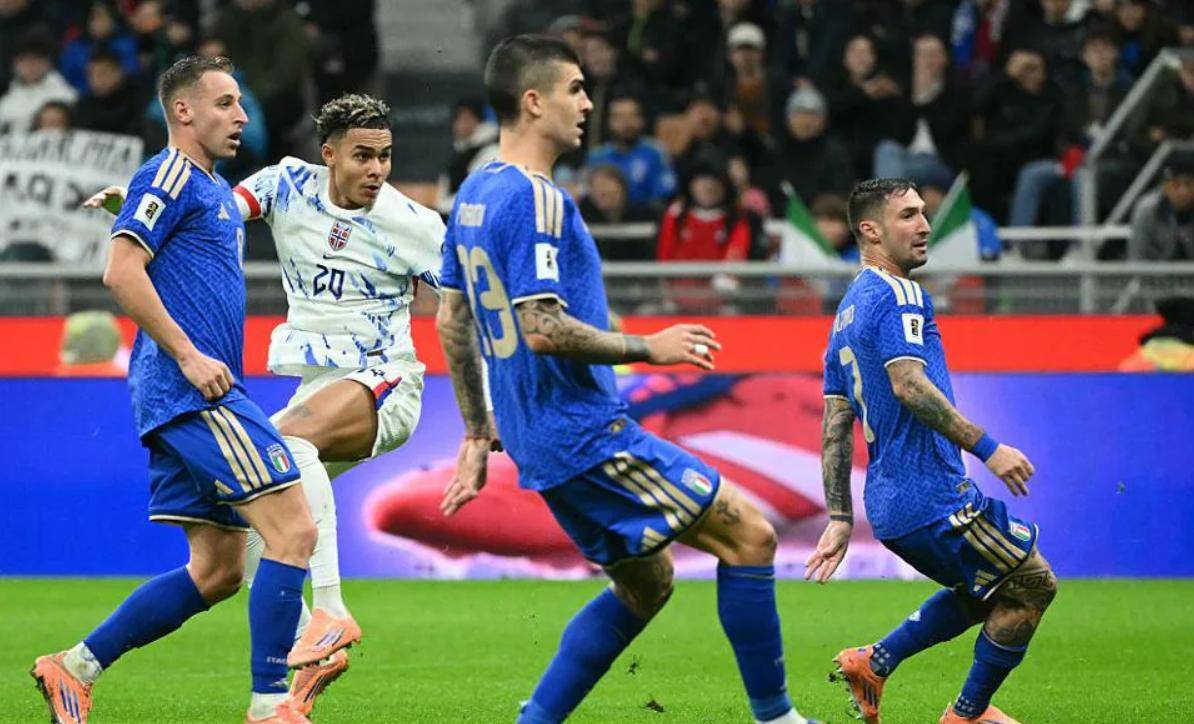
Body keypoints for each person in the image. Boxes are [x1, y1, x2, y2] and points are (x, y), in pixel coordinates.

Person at [436, 34, 819, 724]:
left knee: (647, 584)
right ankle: (777, 718)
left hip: (537, 440)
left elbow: (451, 319)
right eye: (575, 89)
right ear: (533, 101)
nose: (588, 103)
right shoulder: (537, 199)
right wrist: (649, 347)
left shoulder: (472, 194)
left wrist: (473, 431)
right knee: (752, 537)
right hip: (583, 434)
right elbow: (542, 326)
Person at [85, 93, 445, 717]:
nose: (377, 170)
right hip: (318, 389)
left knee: (289, 446)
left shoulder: (414, 224)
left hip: (387, 379)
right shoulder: (285, 185)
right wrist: (137, 210)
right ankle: (307, 646)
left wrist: (489, 402)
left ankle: (330, 611)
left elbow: (468, 309)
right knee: (254, 511)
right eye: (363, 156)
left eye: (385, 156)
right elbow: (215, 215)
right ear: (328, 154)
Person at [31, 55, 317, 724]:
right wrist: (188, 356)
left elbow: (163, 232)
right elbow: (120, 271)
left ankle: (74, 668)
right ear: (182, 111)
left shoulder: (211, 188)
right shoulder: (169, 173)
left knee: (217, 571)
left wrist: (125, 204)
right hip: (193, 393)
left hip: (188, 394)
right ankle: (270, 705)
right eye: (225, 103)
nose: (241, 115)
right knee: (295, 530)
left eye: (240, 103)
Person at [806, 178, 1057, 724]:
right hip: (932, 495)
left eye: (923, 213)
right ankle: (967, 715)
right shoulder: (899, 295)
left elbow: (835, 422)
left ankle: (876, 661)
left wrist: (840, 517)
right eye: (908, 216)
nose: (924, 226)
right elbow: (909, 385)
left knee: (987, 587)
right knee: (1034, 583)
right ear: (871, 230)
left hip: (891, 506)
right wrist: (988, 449)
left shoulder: (845, 313)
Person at [586, 93, 676, 208]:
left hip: (647, 216)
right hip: (604, 217)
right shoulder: (598, 156)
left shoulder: (655, 152)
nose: (627, 123)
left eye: (632, 115)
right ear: (609, 122)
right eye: (619, 117)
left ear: (642, 120)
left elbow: (666, 192)